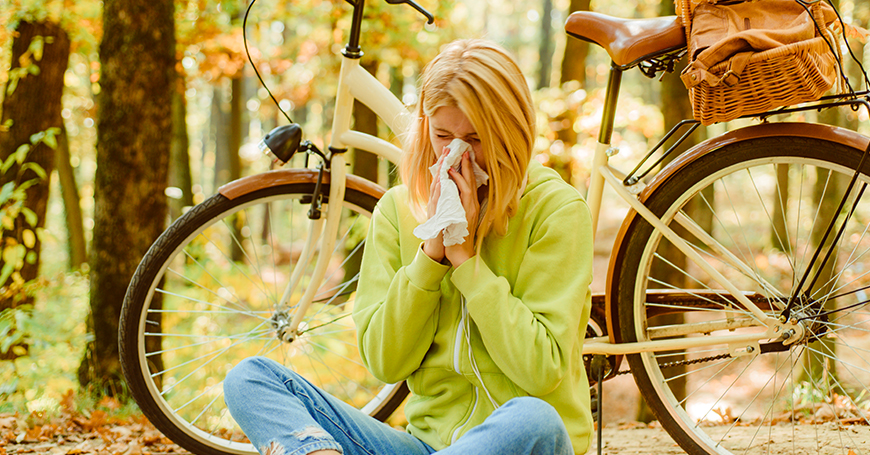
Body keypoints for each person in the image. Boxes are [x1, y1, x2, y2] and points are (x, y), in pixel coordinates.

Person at [224, 38, 594, 455]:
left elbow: (542, 370)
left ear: (512, 131)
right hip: (426, 447)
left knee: (533, 418)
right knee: (251, 378)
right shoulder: (397, 210)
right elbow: (386, 362)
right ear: (425, 128)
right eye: (442, 135)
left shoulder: (556, 209)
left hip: (515, 444)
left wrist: (467, 261)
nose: (456, 154)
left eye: (475, 138)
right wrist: (430, 256)